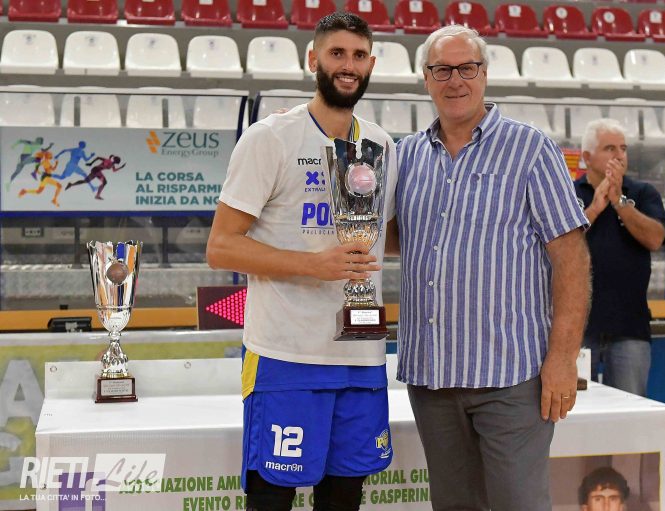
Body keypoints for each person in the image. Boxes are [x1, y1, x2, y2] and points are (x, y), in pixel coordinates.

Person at [386, 25, 591, 511]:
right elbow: (389, 239)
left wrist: (563, 359)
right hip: (432, 377)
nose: (455, 80)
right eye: (442, 70)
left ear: (484, 74)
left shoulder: (531, 149)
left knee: (520, 504)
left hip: (511, 379)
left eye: (467, 68)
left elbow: (571, 260)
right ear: (426, 78)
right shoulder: (405, 156)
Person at [206, 13, 397, 511]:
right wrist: (313, 265)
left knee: (344, 501)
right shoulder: (270, 137)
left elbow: (385, 238)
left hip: (361, 358)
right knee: (272, 500)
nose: (348, 65)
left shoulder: (381, 145)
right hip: (285, 357)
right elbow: (221, 246)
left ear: (371, 64)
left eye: (359, 55)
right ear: (313, 59)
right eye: (337, 53)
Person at [574, 119, 665, 396]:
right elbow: (557, 244)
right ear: (587, 157)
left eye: (623, 148)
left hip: (630, 325)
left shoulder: (643, 193)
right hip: (577, 326)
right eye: (610, 148)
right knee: (574, 409)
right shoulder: (569, 193)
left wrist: (619, 202)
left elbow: (655, 239)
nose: (619, 155)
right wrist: (594, 209)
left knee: (632, 408)